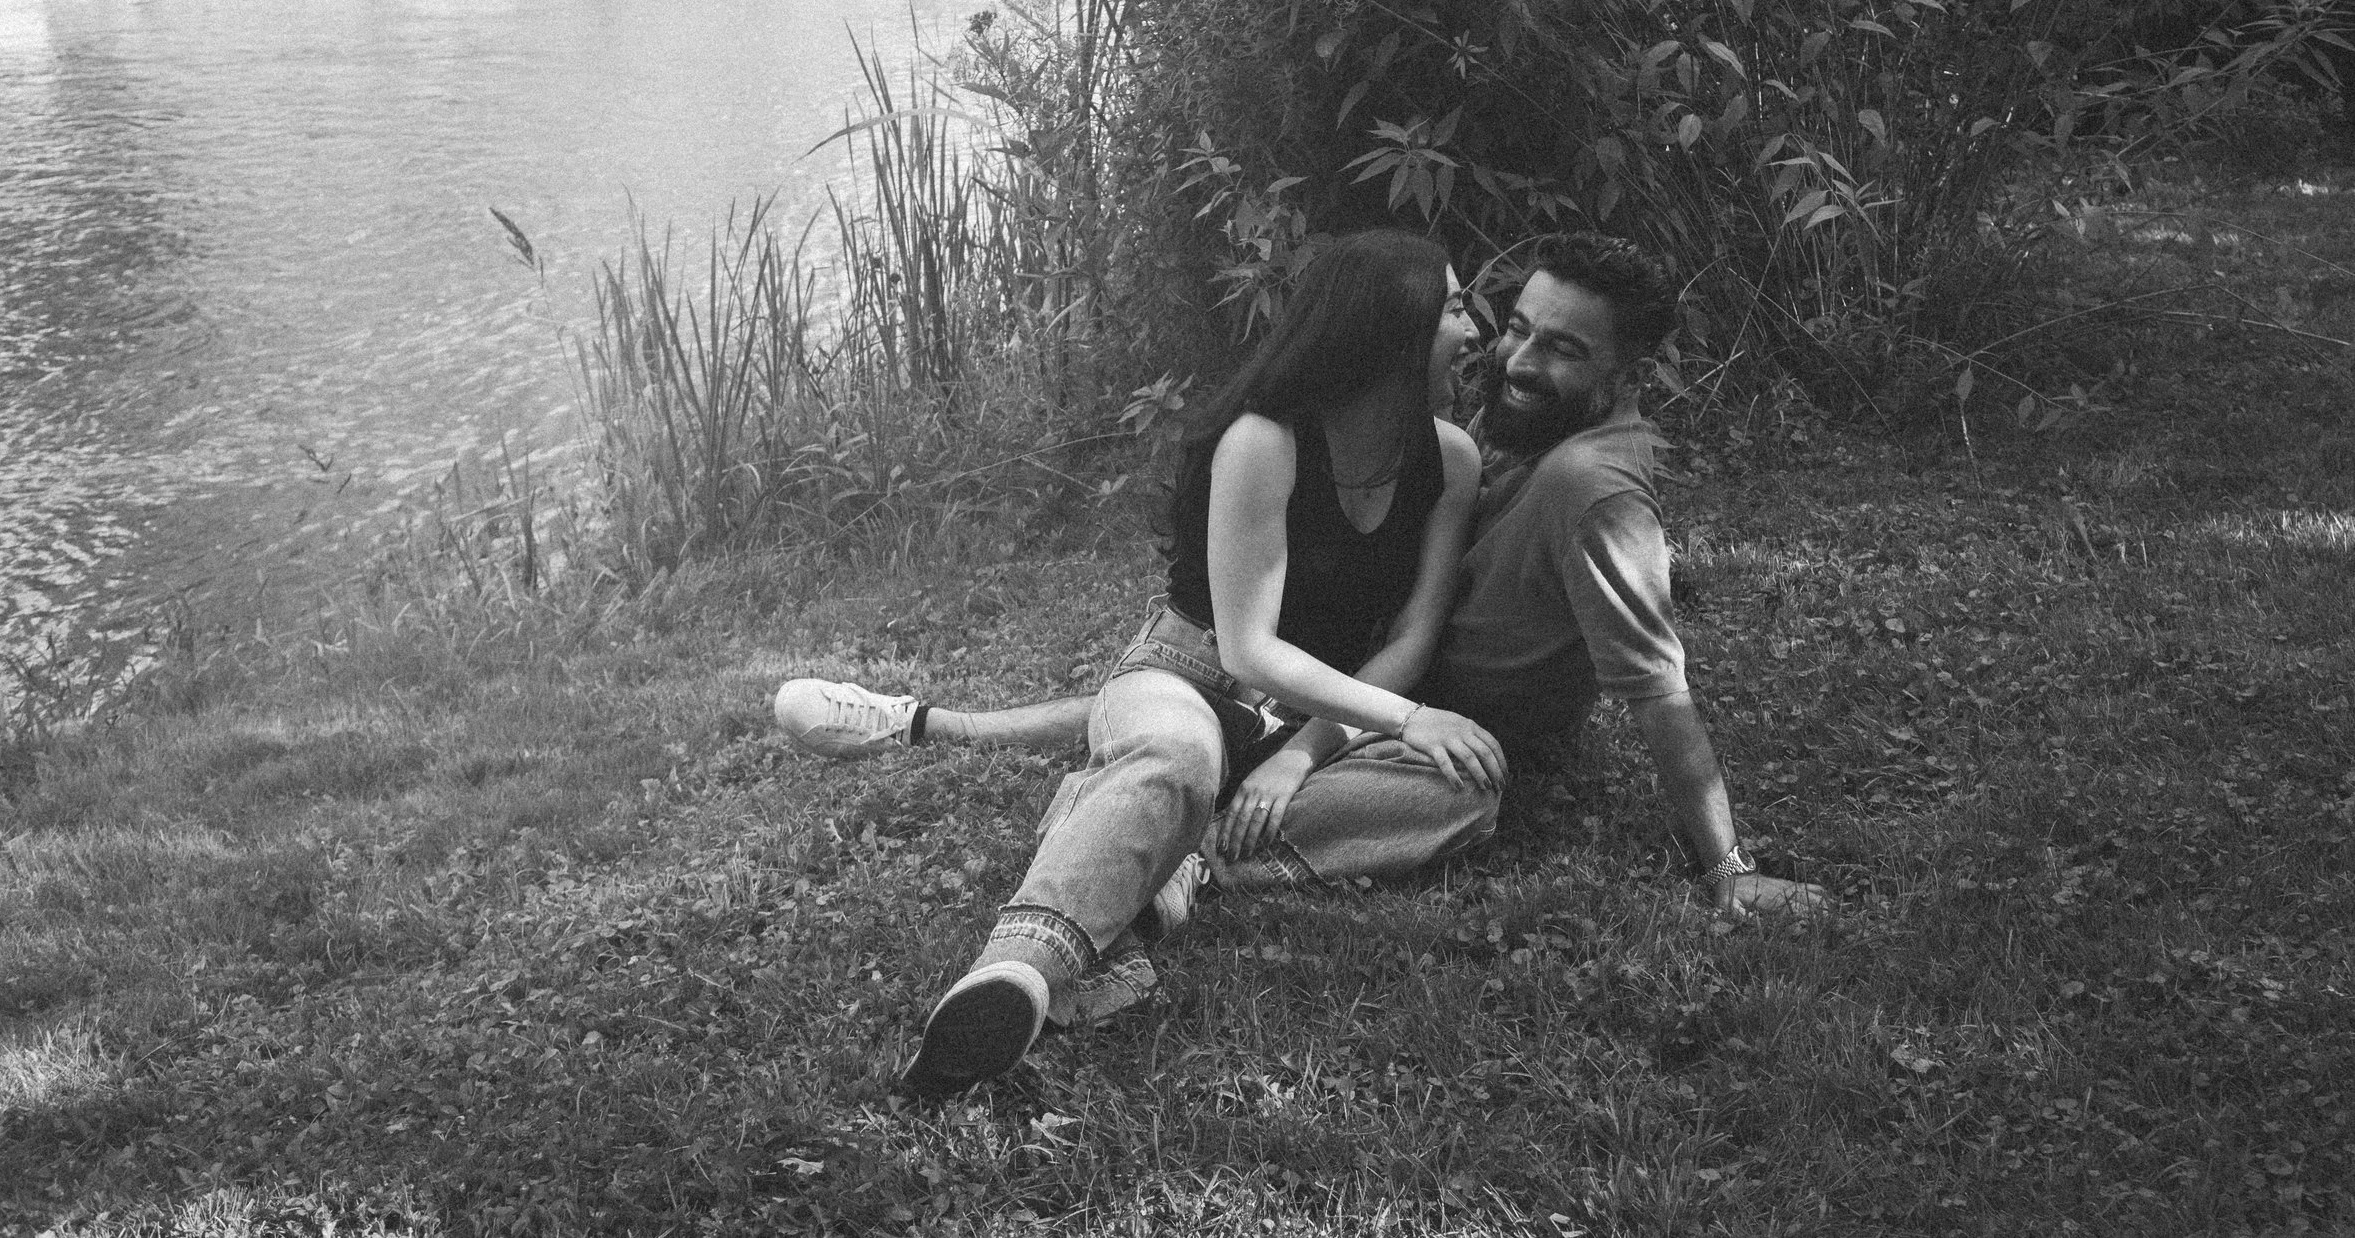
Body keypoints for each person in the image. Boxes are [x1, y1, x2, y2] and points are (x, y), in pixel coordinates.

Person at [779, 232, 1823, 911]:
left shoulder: (1578, 483)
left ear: (1622, 376)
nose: (1510, 358)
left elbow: (1653, 682)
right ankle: (941, 731)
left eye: (1560, 351)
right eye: (1510, 326)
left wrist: (1723, 867)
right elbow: (1252, 647)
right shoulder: (1484, 437)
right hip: (1298, 668)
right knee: (1185, 709)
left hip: (1361, 687)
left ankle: (1138, 834)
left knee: (1275, 744)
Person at [801, 229, 1511, 1100]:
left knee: (1466, 788)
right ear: (1387, 332)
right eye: (1450, 307)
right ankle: (1019, 970)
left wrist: (1300, 754)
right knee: (1181, 756)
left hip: (1316, 719)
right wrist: (1401, 717)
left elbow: (1410, 634)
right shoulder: (1264, 439)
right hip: (1192, 677)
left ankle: (1175, 848)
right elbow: (1249, 647)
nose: (1474, 329)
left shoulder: (1454, 460)